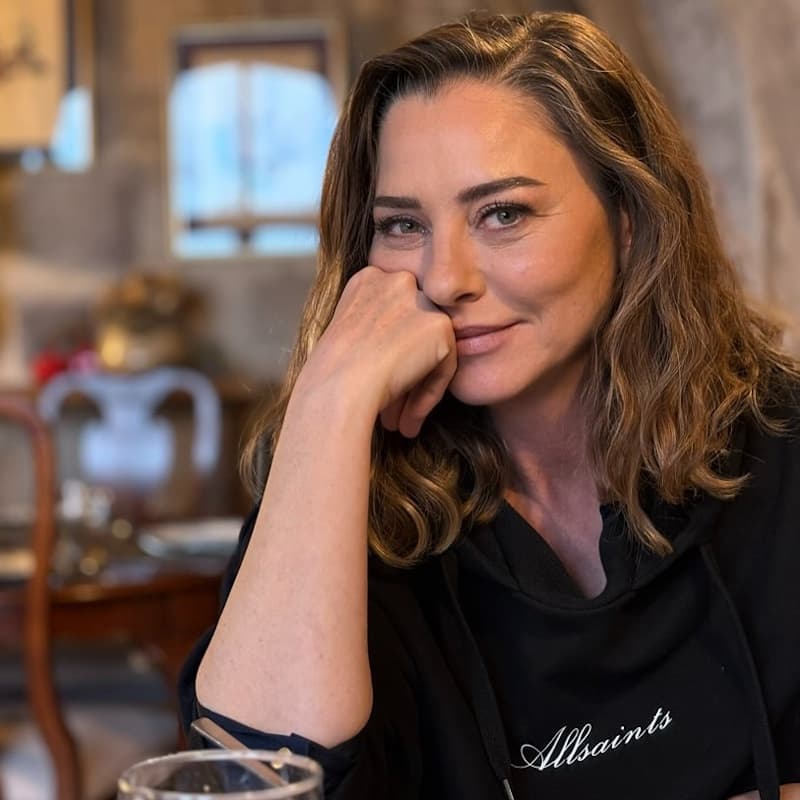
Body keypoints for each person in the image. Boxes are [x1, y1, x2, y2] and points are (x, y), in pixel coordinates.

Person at [179, 11, 800, 800]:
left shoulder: (780, 443)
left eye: (502, 214)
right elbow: (249, 785)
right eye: (402, 225)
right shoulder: (341, 493)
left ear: (630, 219)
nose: (445, 279)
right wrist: (327, 402)